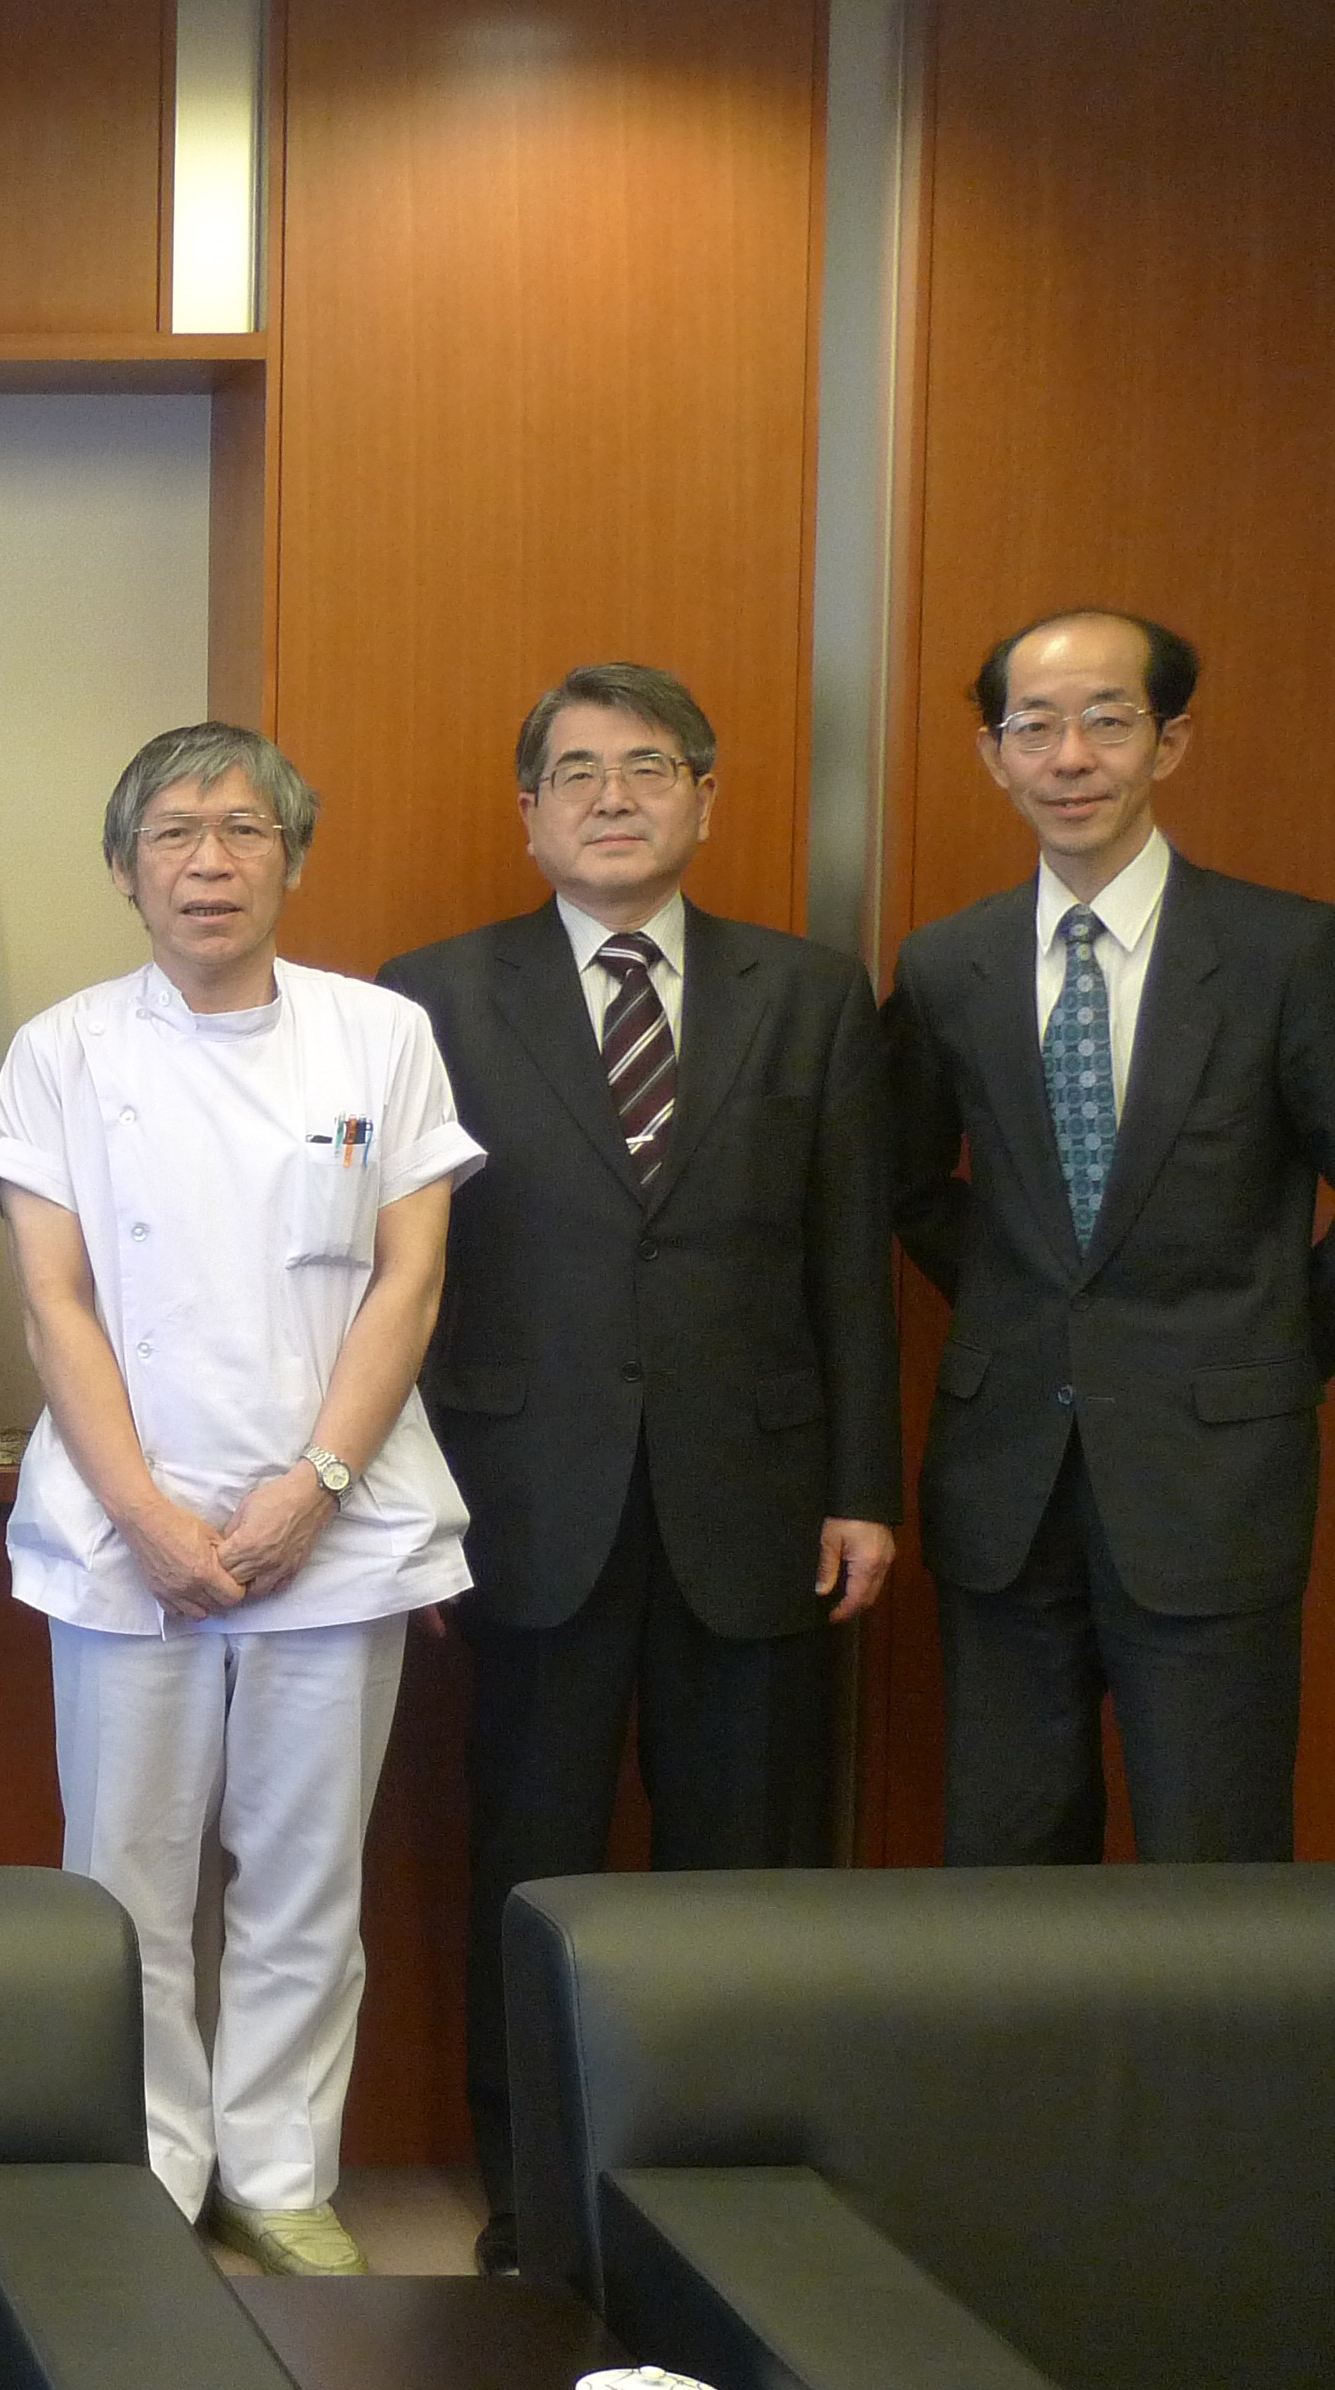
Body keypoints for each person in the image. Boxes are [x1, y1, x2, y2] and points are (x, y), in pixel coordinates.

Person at [380, 663, 898, 2275]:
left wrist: (864, 1484)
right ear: (529, 811)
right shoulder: (431, 999)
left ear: (707, 798)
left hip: (757, 1505)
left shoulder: (809, 994)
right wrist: (411, 1514)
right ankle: (535, 2199)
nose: (614, 798)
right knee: (527, 1867)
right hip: (525, 1508)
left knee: (741, 1877)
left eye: (650, 768)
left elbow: (850, 1261)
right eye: (579, 772)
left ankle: (729, 2203)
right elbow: (398, 1280)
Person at [0, 722, 477, 2275]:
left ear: (292, 858)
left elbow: (410, 1279)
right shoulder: (64, 1049)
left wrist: (313, 1489)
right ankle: (148, 2166)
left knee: (305, 1877)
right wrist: (146, 1516)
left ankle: (278, 2172)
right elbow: (55, 1299)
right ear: (124, 869)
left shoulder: (380, 1036)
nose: (210, 862)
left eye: (244, 831)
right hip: (124, 1531)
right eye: (175, 835)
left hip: (336, 1526)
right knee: (123, 1880)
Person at [887, 609, 1335, 1866]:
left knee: (1212, 1864)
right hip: (1004, 1482)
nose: (1068, 757)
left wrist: (1279, 1339)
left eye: (1105, 720)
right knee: (1004, 1862)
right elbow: (906, 1182)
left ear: (1167, 742)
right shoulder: (945, 964)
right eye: (1032, 727)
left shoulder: (1285, 952)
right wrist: (1017, 1305)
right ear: (993, 757)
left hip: (1212, 1479)